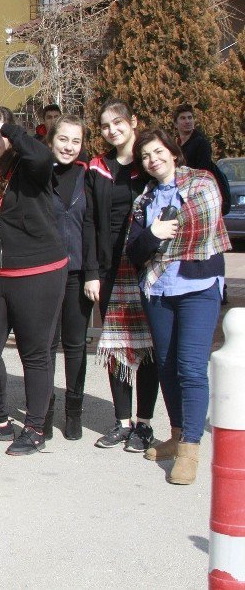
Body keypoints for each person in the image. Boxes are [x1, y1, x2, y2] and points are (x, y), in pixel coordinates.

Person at [127, 129, 230, 484]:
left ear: (172, 152)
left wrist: (154, 236)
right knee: (168, 365)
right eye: (145, 156)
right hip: (158, 289)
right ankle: (176, 432)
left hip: (198, 285)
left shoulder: (201, 182)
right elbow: (134, 250)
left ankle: (191, 448)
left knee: (190, 366)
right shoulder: (144, 199)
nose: (152, 160)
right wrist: (152, 235)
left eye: (158, 152)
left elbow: (201, 226)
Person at [0, 106, 67, 456]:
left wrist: (9, 128)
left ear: (9, 135)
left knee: (34, 352)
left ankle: (37, 427)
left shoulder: (29, 166)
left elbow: (43, 155)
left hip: (38, 270)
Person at [89, 99, 159, 452]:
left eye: (118, 122)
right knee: (116, 347)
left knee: (147, 349)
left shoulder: (150, 165)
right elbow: (89, 221)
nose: (112, 130)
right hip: (110, 267)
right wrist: (92, 271)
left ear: (133, 121)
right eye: (105, 125)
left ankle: (143, 424)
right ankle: (121, 421)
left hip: (148, 268)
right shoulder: (99, 167)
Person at [46, 115, 99, 440]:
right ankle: (45, 410)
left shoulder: (87, 176)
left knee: (76, 345)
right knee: (47, 344)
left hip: (78, 274)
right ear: (51, 140)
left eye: (75, 141)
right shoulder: (40, 176)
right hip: (45, 276)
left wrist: (93, 273)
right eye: (63, 139)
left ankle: (74, 412)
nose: (68, 146)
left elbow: (92, 227)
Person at [173, 103, 231, 215]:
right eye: (183, 118)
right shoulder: (177, 145)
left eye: (190, 117)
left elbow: (203, 173)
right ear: (176, 123)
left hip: (200, 196)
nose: (187, 121)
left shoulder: (201, 142)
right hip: (182, 194)